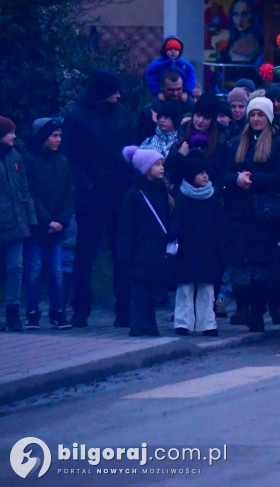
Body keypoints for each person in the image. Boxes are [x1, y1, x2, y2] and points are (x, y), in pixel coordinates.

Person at [63, 70, 134, 327]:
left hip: (119, 194)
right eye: (114, 90)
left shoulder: (122, 114)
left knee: (122, 253)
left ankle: (124, 310)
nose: (119, 94)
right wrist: (89, 185)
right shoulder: (78, 118)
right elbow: (71, 157)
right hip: (92, 197)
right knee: (86, 254)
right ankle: (80, 309)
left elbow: (130, 148)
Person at [222, 97, 280, 332]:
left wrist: (254, 181)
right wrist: (236, 180)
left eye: (261, 114)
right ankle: (244, 309)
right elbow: (224, 173)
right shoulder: (237, 143)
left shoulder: (279, 144)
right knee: (241, 266)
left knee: (263, 268)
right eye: (253, 115)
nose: (256, 119)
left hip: (266, 216)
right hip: (240, 214)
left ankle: (259, 313)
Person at [116, 146, 174, 337]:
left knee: (152, 288)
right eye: (157, 164)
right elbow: (126, 225)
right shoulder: (133, 194)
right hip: (139, 248)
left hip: (156, 247)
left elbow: (167, 216)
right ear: (145, 168)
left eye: (161, 164)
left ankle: (150, 323)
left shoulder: (161, 191)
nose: (161, 168)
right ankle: (138, 323)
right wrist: (124, 251)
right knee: (140, 288)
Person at [22, 118, 74, 330]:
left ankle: (58, 312)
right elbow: (30, 193)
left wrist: (61, 220)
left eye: (60, 135)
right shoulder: (29, 160)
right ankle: (32, 312)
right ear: (42, 137)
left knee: (56, 270)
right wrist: (46, 220)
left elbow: (68, 193)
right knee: (33, 268)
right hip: (37, 226)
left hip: (57, 227)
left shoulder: (62, 160)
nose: (58, 139)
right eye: (54, 135)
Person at [171, 157, 222, 336]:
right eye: (200, 173)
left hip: (208, 247)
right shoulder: (181, 198)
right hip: (186, 247)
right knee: (185, 287)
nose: (205, 176)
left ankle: (207, 323)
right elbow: (176, 221)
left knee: (207, 288)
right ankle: (182, 322)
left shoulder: (214, 196)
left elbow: (218, 222)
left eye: (206, 173)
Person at [0, 117, 37, 331]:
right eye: (10, 132)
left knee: (16, 267)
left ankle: (13, 312)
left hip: (16, 223)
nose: (14, 136)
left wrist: (30, 220)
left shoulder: (15, 157)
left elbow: (24, 190)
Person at [137, 69, 192, 143]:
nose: (175, 93)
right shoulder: (149, 110)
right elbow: (142, 137)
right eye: (171, 90)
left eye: (178, 89)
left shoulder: (190, 108)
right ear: (162, 87)